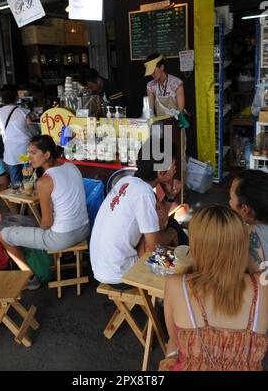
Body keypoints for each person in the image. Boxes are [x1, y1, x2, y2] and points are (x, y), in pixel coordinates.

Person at [161, 205, 268, 372]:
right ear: (241, 246)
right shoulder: (262, 287)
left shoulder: (176, 285)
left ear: (196, 246)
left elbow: (174, 341)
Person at [90, 138, 186, 288]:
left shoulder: (127, 181)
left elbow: (160, 221)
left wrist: (170, 196)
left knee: (168, 229)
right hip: (121, 274)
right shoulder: (143, 193)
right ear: (161, 172)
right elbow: (154, 249)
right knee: (176, 253)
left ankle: (185, 268)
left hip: (102, 267)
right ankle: (180, 285)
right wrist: (172, 234)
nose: (175, 168)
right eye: (173, 164)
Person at [0, 135, 90, 290]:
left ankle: (31, 278)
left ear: (46, 155)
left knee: (3, 235)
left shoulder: (44, 181)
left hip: (61, 237)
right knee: (29, 224)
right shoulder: (72, 167)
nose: (29, 157)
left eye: (33, 153)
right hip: (84, 229)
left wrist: (38, 237)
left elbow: (47, 223)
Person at [229, 169, 268, 273]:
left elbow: (258, 283)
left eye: (231, 198)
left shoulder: (252, 234)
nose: (229, 202)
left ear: (245, 209)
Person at [0, 84, 34, 185]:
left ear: (2, 99)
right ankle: (29, 198)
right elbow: (32, 127)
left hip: (11, 152)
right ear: (16, 97)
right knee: (28, 176)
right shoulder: (22, 111)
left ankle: (17, 199)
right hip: (24, 150)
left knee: (15, 179)